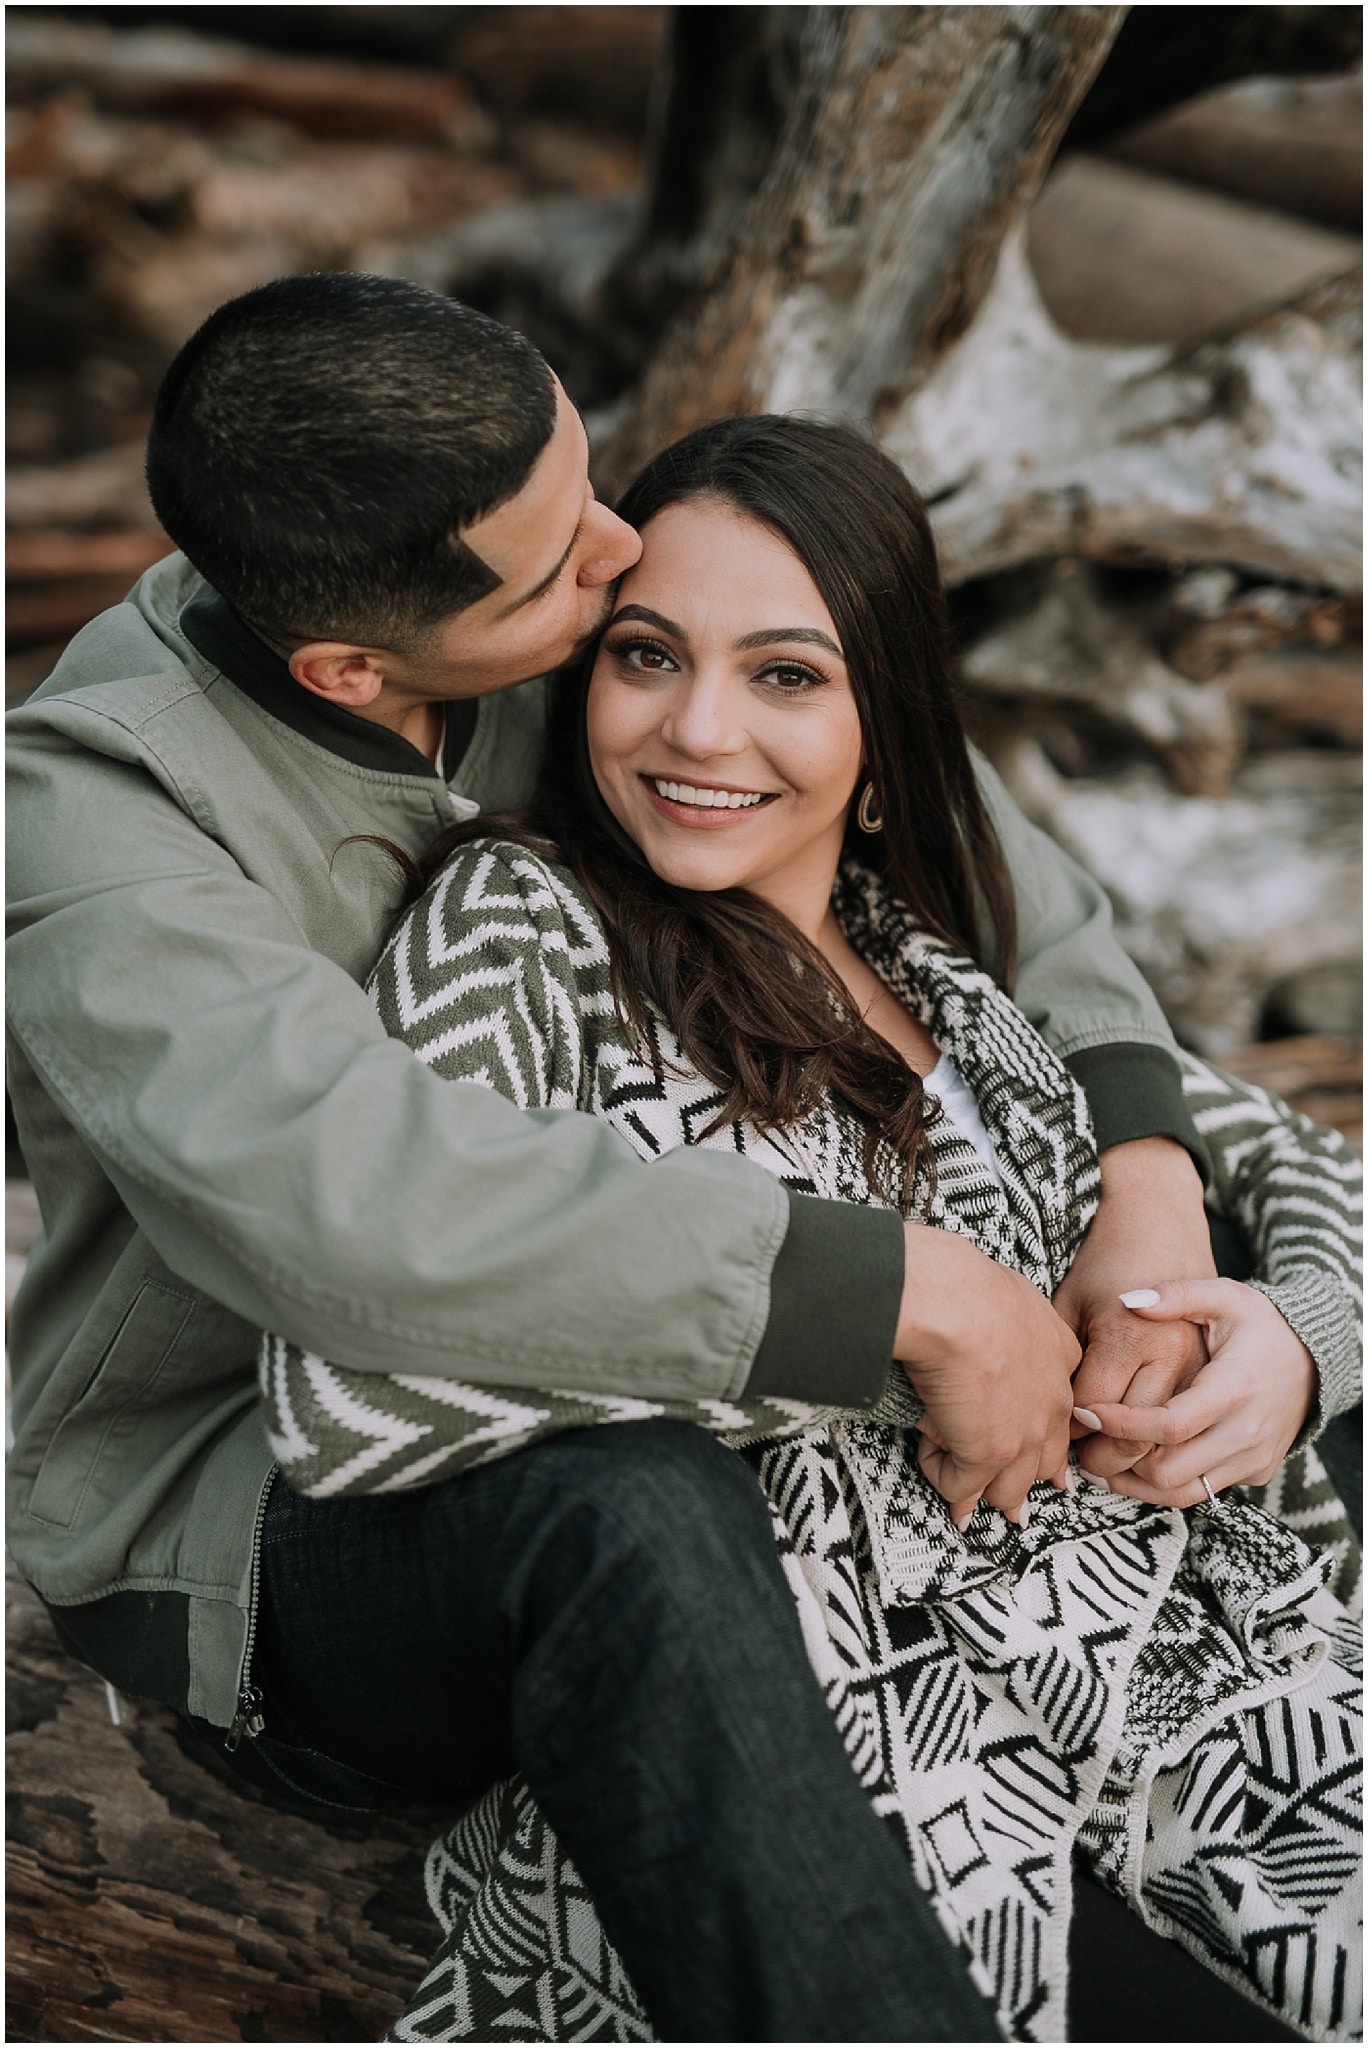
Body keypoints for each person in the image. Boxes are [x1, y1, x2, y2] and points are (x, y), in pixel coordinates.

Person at [0, 274, 1294, 2041]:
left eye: (587, 481)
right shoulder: (105, 839)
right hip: (284, 1515)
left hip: (717, 1420)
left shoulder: (559, 635)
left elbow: (959, 842)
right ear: (349, 674)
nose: (617, 552)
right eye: (567, 577)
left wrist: (1144, 1169)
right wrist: (910, 1296)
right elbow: (363, 1217)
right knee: (625, 1515)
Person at [261, 416, 1361, 2044]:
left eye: (787, 675)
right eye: (648, 656)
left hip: (1193, 1679)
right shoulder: (521, 927)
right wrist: (880, 1344)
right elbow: (370, 1375)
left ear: (883, 714)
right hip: (877, 1730)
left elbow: (1293, 1161)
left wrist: (1287, 1340)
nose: (698, 729)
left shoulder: (928, 955)